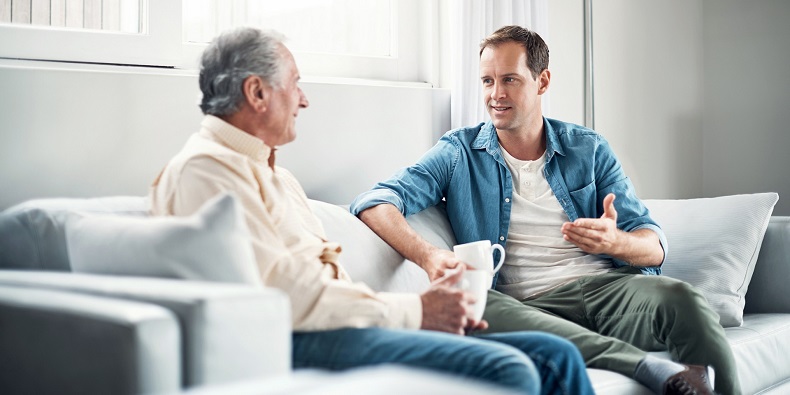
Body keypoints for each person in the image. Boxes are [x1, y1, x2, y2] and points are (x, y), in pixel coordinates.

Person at [149, 26, 594, 395]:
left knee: (555, 355)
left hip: (338, 327)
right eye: (295, 85)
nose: (303, 100)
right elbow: (288, 296)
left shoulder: (274, 174)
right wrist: (415, 312)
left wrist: (411, 316)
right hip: (295, 340)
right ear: (257, 92)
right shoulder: (205, 171)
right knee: (510, 369)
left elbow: (320, 283)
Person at [351, 25, 737, 395]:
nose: (495, 94)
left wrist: (616, 241)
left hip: (608, 292)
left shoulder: (588, 148)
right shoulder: (458, 153)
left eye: (510, 79)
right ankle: (650, 368)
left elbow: (654, 245)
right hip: (523, 304)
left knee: (682, 299)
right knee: (476, 305)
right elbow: (375, 202)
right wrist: (430, 256)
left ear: (542, 82)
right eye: (487, 81)